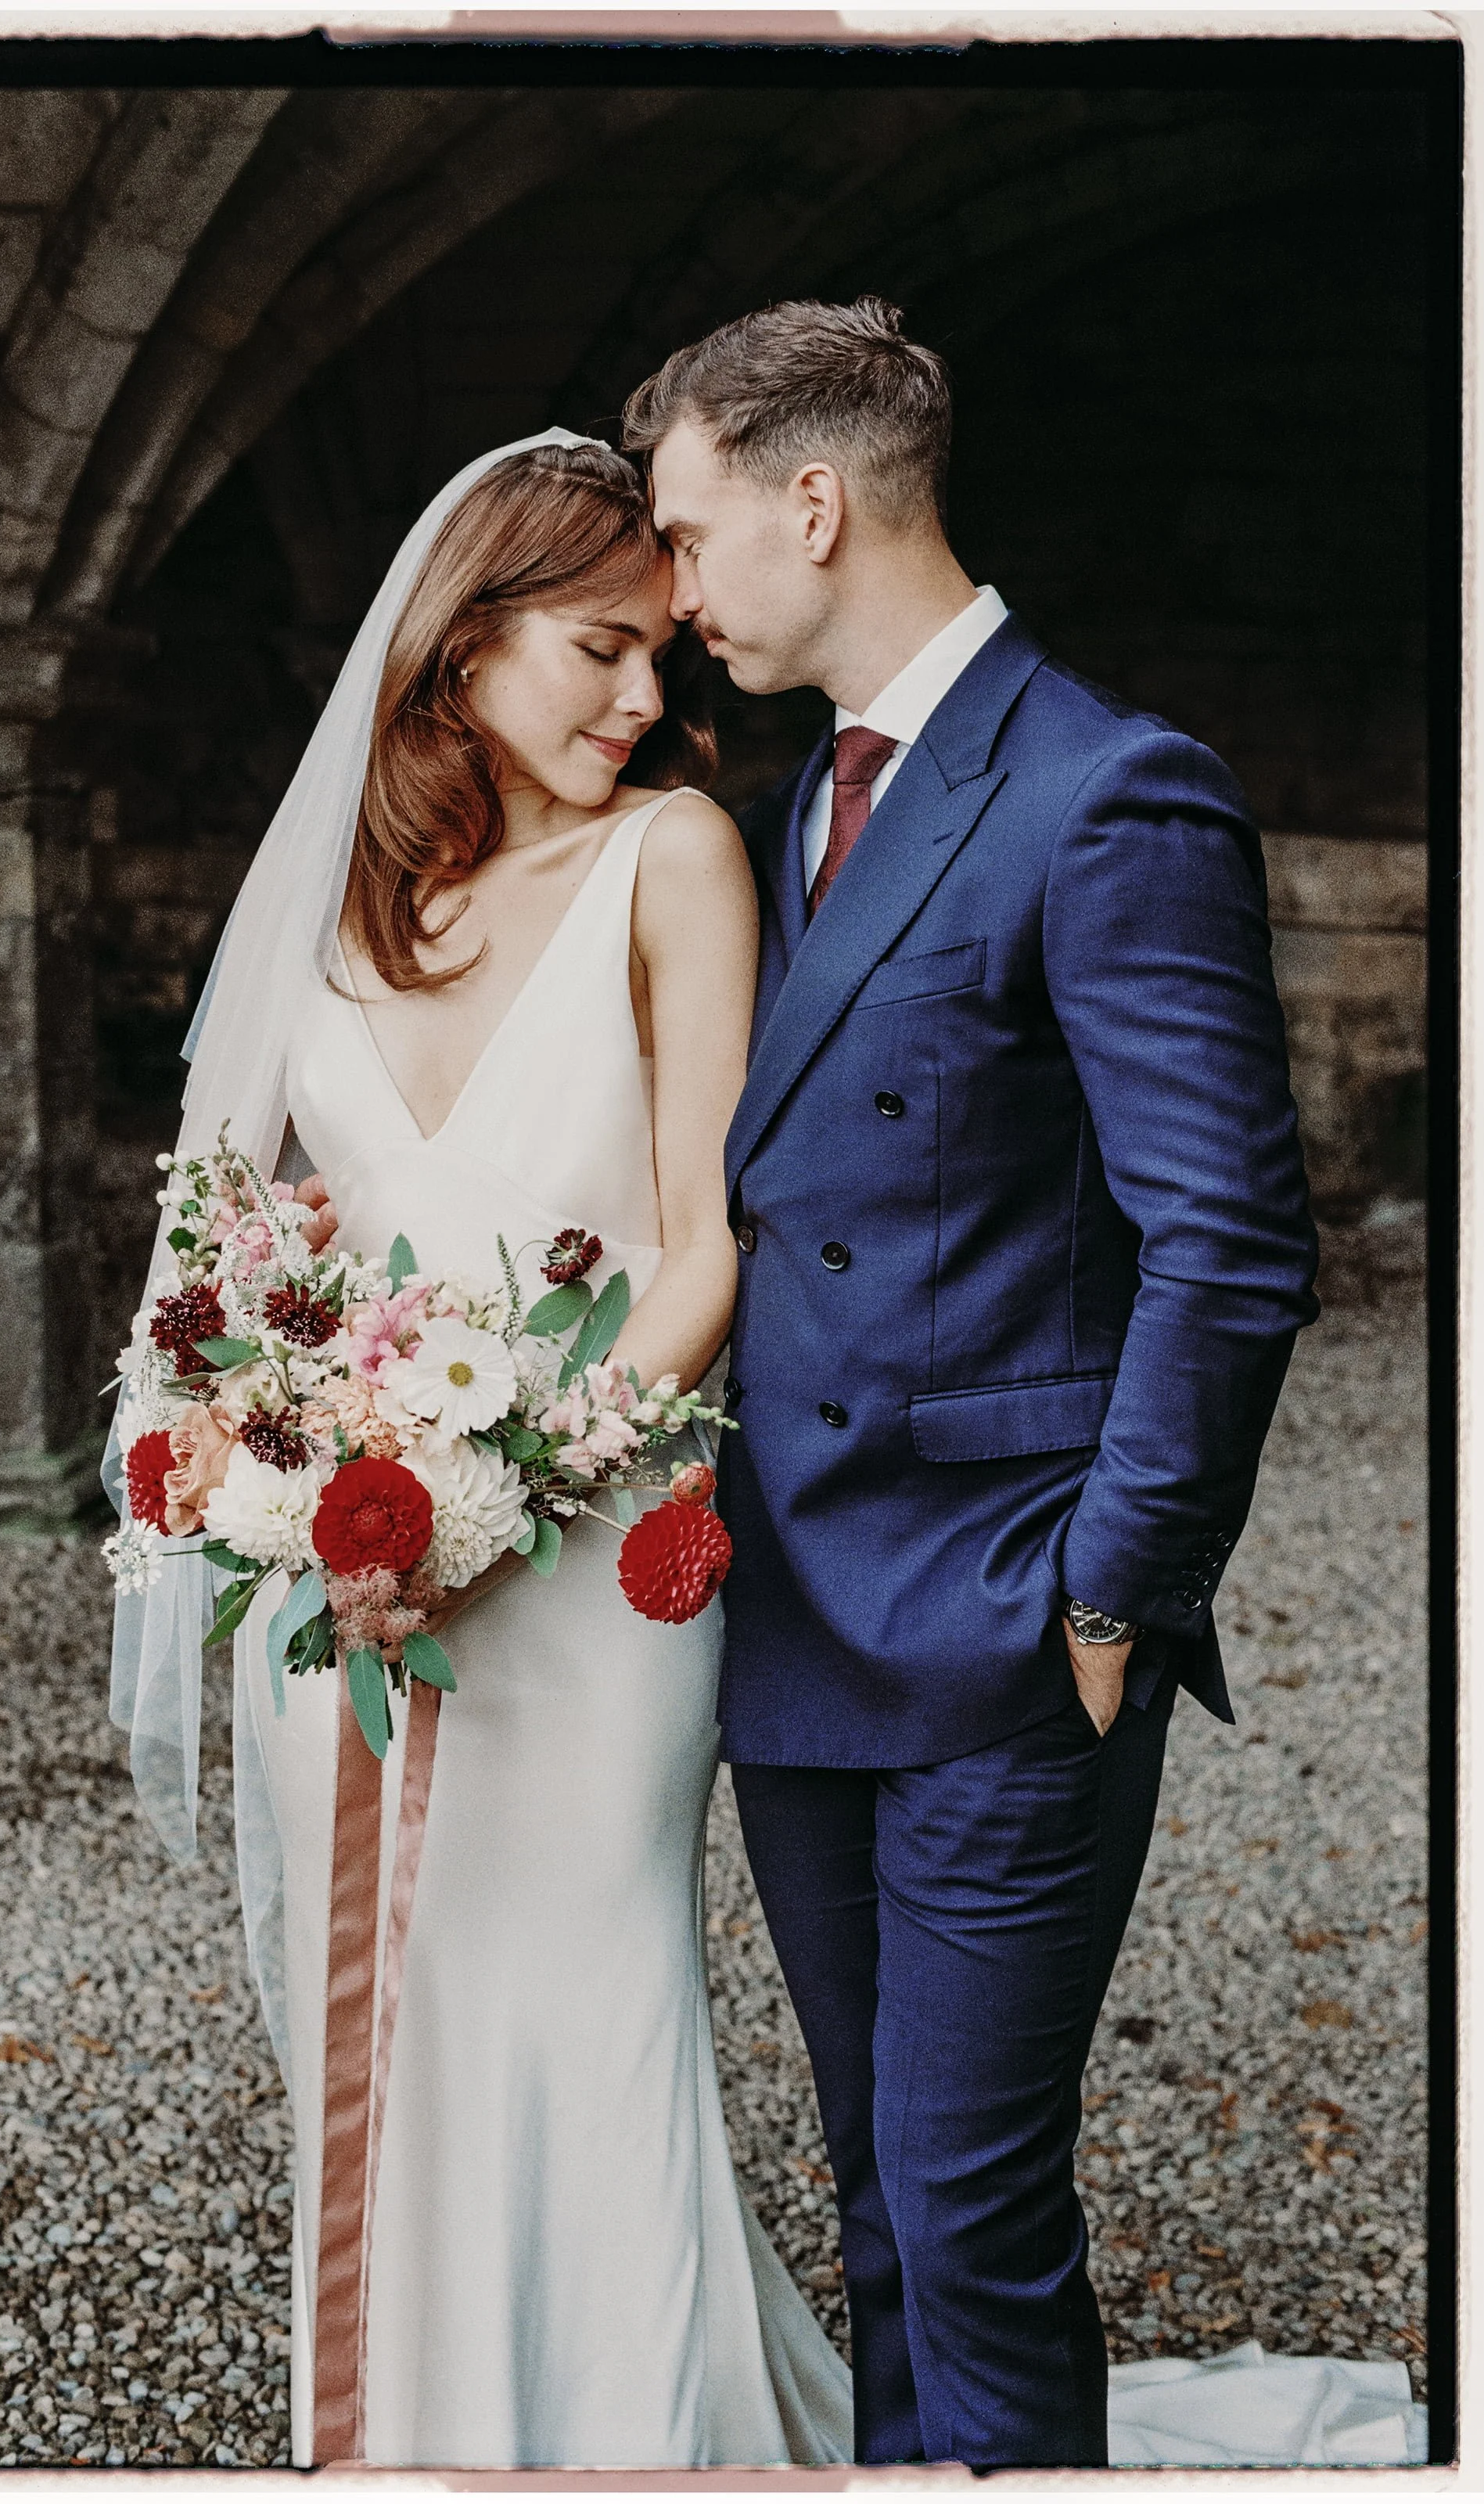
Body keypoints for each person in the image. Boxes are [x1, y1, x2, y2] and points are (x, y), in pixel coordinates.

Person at [621, 299, 1324, 2470]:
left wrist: (1113, 1595)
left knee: (974, 2210)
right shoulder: (793, 805)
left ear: (811, 504)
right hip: (805, 1624)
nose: (677, 590)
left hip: (1011, 1637)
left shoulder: (1109, 794)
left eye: (690, 531)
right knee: (878, 2213)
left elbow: (1231, 1246)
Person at [107, 434, 853, 2470]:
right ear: (462, 643)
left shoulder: (673, 859)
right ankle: (421, 2439)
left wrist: (506, 1490)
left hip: (589, 1570)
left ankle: (632, 2446)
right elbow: (234, 1259)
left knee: (584, 1990)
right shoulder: (336, 907)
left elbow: (714, 1247)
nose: (644, 701)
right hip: (347, 1572)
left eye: (659, 659)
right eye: (601, 650)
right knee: (390, 2021)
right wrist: (263, 1463)